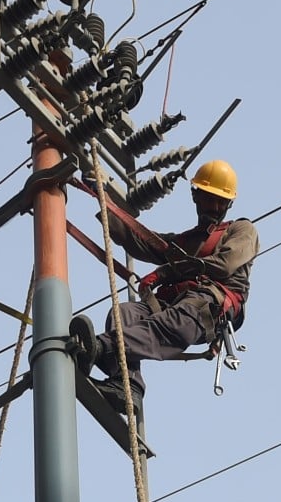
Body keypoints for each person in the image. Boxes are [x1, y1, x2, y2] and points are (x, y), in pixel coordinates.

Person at [69, 159, 259, 414]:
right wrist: (101, 195)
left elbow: (224, 265)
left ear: (229, 204)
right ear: (195, 196)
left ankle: (103, 347)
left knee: (181, 317)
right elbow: (140, 239)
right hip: (173, 303)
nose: (214, 207)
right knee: (124, 313)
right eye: (208, 199)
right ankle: (127, 386)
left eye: (220, 202)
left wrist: (165, 272)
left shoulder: (242, 230)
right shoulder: (187, 242)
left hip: (209, 304)